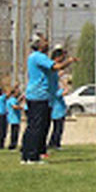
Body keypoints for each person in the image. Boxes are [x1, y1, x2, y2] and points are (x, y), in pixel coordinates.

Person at [19, 33, 75, 165]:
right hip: (39, 96)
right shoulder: (38, 57)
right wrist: (69, 61)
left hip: (39, 96)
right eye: (44, 41)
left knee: (35, 126)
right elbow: (56, 67)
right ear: (38, 44)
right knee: (37, 126)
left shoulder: (36, 58)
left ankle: (28, 154)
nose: (47, 43)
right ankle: (32, 156)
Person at [47, 49, 68, 152]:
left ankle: (55, 143)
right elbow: (57, 93)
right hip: (56, 109)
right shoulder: (50, 68)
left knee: (58, 128)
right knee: (57, 128)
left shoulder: (55, 74)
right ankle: (53, 143)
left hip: (59, 109)